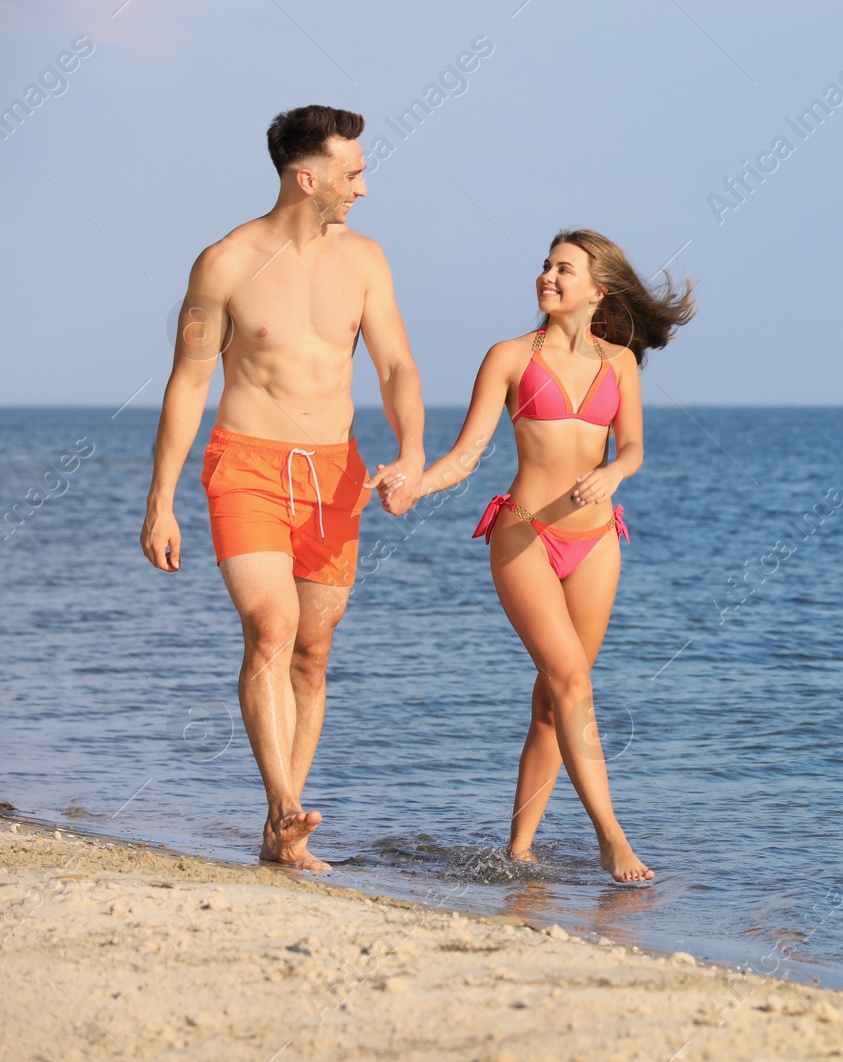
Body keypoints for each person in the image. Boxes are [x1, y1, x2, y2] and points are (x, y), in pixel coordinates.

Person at [139, 105, 425, 870]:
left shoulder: (365, 261)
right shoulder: (225, 263)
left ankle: (282, 838)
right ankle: (285, 806)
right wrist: (161, 499)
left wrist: (413, 453)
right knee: (270, 628)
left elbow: (395, 365)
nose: (363, 186)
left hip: (336, 475)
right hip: (248, 466)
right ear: (310, 178)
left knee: (312, 652)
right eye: (353, 172)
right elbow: (189, 382)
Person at [407, 230, 693, 883]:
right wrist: (416, 483)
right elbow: (467, 453)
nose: (548, 276)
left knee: (551, 701)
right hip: (525, 536)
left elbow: (634, 449)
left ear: (598, 291)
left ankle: (518, 852)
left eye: (564, 269)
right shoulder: (509, 357)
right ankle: (612, 838)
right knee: (573, 683)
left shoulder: (618, 362)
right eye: (545, 266)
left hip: (596, 542)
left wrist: (614, 475)